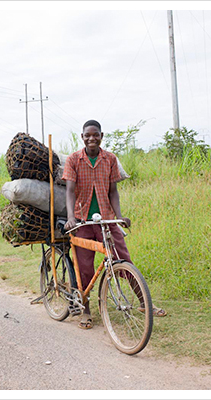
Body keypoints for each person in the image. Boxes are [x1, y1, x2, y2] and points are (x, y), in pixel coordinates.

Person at [62, 120, 166, 329]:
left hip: (106, 220)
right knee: (85, 269)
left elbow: (113, 192)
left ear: (101, 135)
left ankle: (144, 303)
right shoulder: (74, 159)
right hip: (82, 221)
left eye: (95, 134)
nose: (92, 138)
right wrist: (72, 216)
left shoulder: (109, 159)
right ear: (82, 137)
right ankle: (86, 310)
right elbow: (70, 191)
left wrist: (119, 217)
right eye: (87, 135)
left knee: (124, 260)